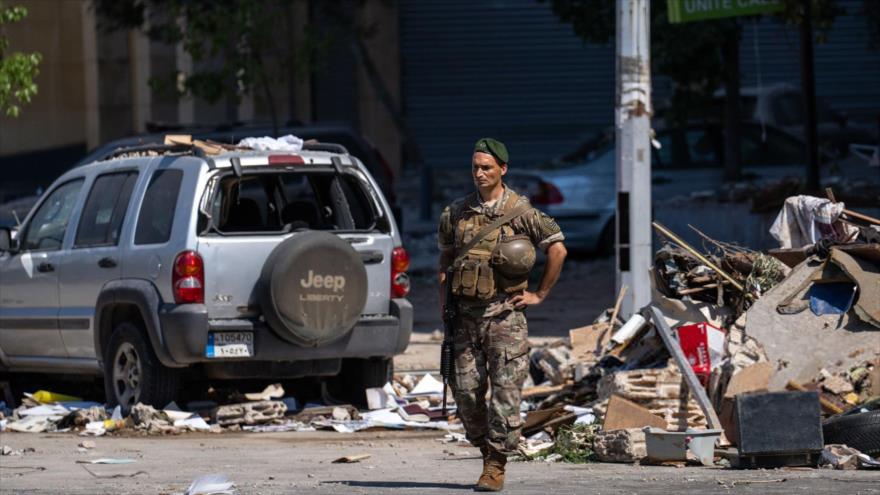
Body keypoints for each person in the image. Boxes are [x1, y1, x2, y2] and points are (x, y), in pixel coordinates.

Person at [437, 138, 567, 491]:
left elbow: (557, 249)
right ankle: (485, 449)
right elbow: (446, 262)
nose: (479, 173)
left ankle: (496, 464)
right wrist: (444, 308)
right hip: (464, 319)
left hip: (505, 319)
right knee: (464, 392)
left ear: (502, 170)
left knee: (506, 395)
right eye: (475, 167)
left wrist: (539, 294)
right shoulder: (457, 213)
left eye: (487, 168)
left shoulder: (522, 212)